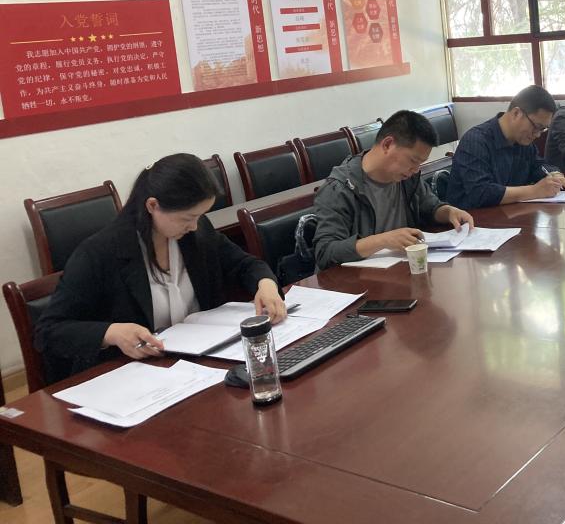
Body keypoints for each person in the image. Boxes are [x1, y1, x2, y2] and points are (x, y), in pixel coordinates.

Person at [35, 153, 286, 384]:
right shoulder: (100, 252)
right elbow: (48, 331)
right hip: (135, 377)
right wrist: (111, 333)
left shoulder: (194, 234)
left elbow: (245, 264)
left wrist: (265, 284)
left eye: (199, 216)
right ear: (153, 206)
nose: (195, 226)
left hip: (200, 367)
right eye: (187, 218)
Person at [313, 110, 473, 270]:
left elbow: (430, 207)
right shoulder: (339, 189)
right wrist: (383, 240)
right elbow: (325, 252)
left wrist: (448, 212)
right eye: (413, 160)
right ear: (387, 144)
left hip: (401, 270)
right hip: (356, 278)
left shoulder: (406, 177)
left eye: (420, 163)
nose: (416, 170)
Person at [445, 85, 565, 209]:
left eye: (543, 129)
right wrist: (534, 191)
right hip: (470, 222)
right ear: (517, 113)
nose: (537, 135)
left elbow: (539, 166)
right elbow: (481, 193)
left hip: (506, 216)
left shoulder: (523, 142)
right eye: (536, 127)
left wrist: (556, 176)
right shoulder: (476, 141)